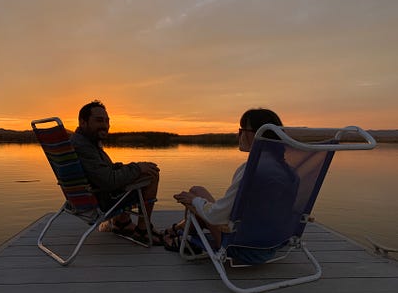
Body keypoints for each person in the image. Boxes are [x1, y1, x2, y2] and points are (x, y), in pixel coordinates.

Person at [165, 108, 290, 263]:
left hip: (240, 248)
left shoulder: (251, 170)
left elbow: (216, 216)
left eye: (242, 130)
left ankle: (180, 237)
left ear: (259, 135)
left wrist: (193, 201)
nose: (239, 135)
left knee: (195, 195)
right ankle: (177, 230)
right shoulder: (288, 171)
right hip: (270, 245)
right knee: (198, 192)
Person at [71, 100, 163, 245]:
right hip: (101, 200)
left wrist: (128, 167)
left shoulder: (82, 141)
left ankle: (122, 223)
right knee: (151, 175)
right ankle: (143, 230)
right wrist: (138, 168)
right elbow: (109, 181)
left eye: (107, 121)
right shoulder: (84, 147)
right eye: (99, 120)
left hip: (88, 196)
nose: (105, 125)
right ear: (83, 122)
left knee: (131, 172)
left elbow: (103, 171)